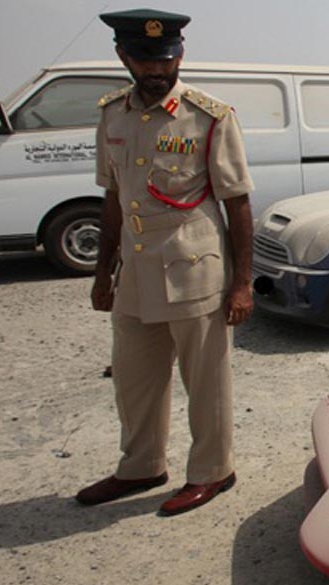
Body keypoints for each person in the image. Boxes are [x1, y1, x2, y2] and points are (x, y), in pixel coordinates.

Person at [75, 9, 254, 516]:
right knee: (135, 378)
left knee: (206, 381)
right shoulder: (112, 113)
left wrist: (242, 284)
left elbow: (237, 202)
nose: (157, 70)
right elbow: (113, 197)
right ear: (123, 57)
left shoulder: (209, 116)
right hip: (135, 272)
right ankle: (141, 466)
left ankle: (213, 471)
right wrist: (102, 272)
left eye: (166, 58)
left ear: (179, 55)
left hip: (194, 268)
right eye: (144, 59)